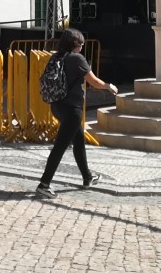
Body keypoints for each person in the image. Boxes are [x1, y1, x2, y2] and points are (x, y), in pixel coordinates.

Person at [35, 28, 117, 198]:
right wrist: (108, 86)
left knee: (79, 141)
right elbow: (93, 81)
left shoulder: (56, 57)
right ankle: (44, 184)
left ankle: (87, 177)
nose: (82, 46)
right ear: (75, 44)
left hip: (57, 105)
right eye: (81, 43)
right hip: (72, 109)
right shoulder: (77, 59)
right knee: (60, 146)